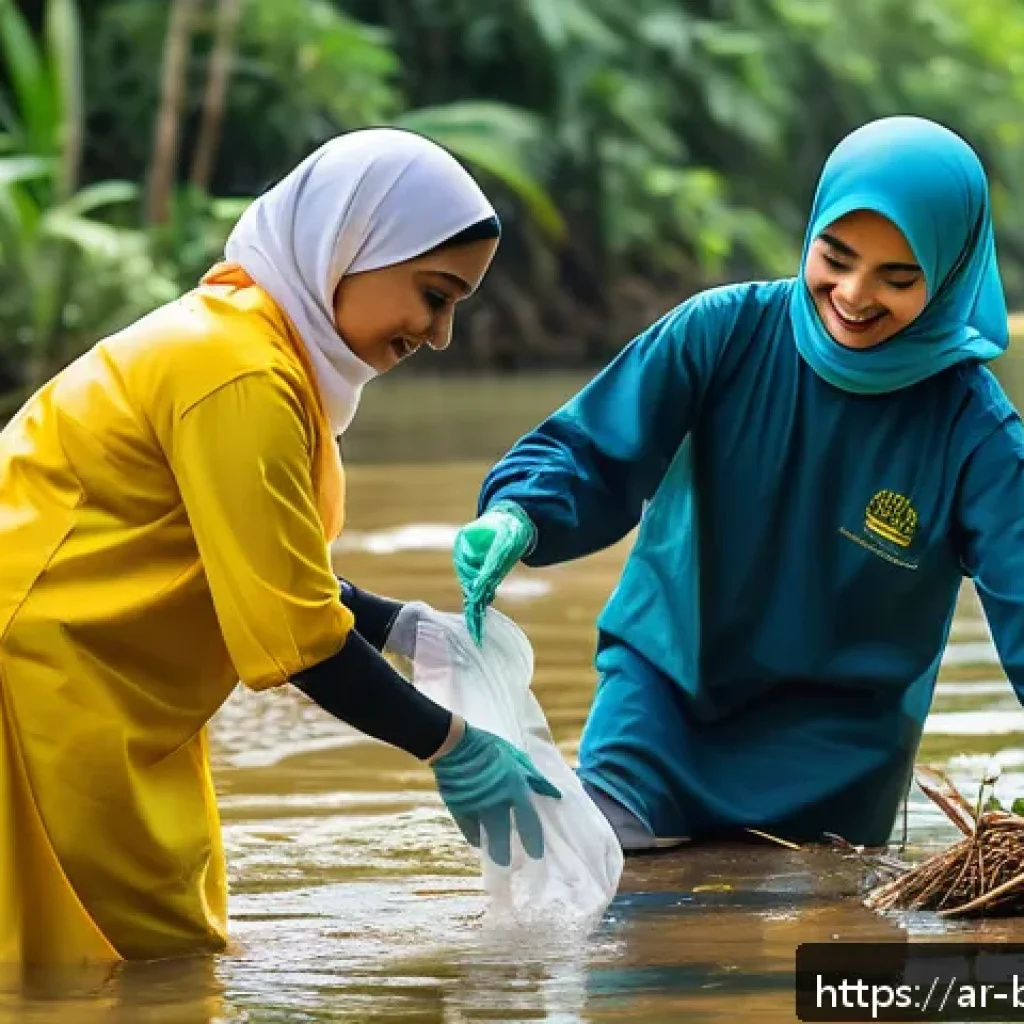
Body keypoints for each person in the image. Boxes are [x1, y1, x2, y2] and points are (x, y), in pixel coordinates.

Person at [0, 127, 560, 965]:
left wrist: (399, 624)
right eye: (434, 294)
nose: (438, 333)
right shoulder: (240, 374)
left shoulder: (250, 350)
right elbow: (299, 642)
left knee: (160, 958)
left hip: (98, 681)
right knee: (104, 962)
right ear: (350, 246)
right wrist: (450, 744)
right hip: (40, 681)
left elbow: (264, 567)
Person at [452, 115, 1020, 853]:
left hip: (838, 754)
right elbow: (591, 451)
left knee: (782, 949)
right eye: (836, 257)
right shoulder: (720, 333)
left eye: (897, 277)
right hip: (664, 697)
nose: (853, 294)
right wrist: (521, 513)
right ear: (810, 233)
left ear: (947, 276)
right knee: (603, 895)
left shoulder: (974, 431)